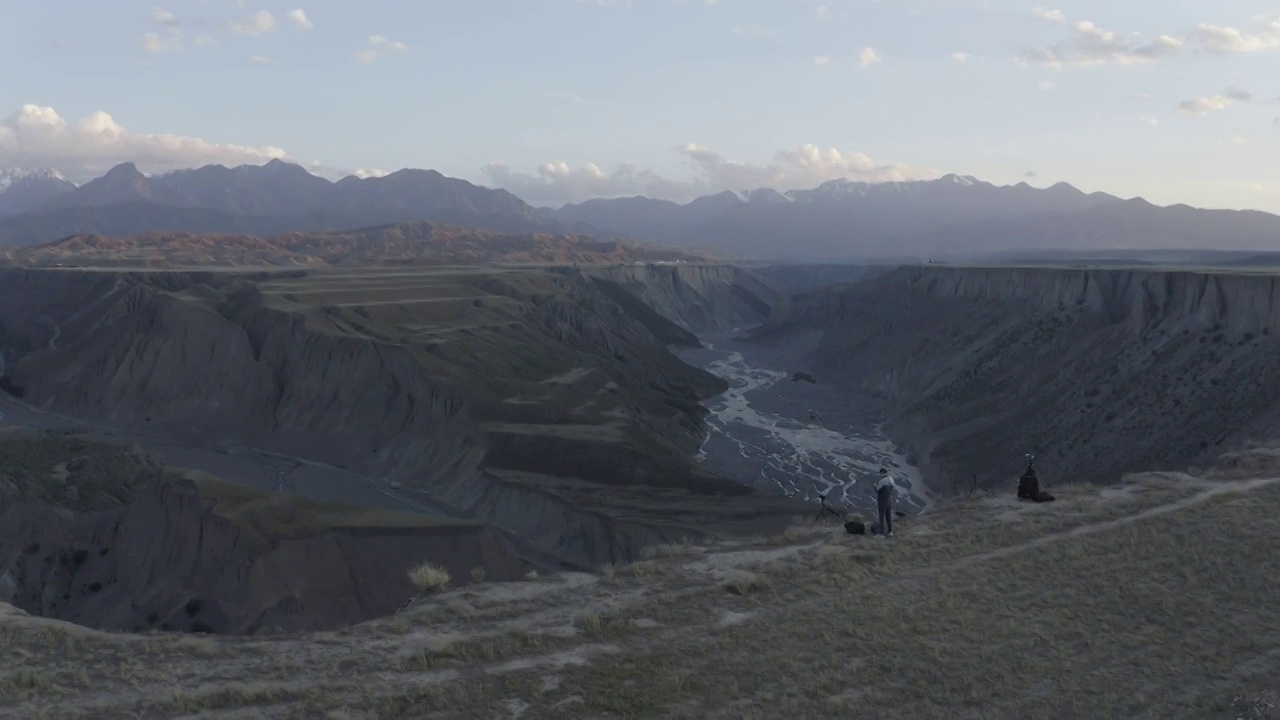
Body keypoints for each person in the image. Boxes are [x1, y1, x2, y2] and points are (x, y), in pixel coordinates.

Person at [875, 467, 896, 537]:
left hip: (882, 500)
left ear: (881, 473)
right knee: (888, 516)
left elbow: (877, 490)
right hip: (889, 500)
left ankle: (882, 532)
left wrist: (875, 486)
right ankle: (890, 531)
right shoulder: (891, 480)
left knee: (881, 516)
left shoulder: (882, 481)